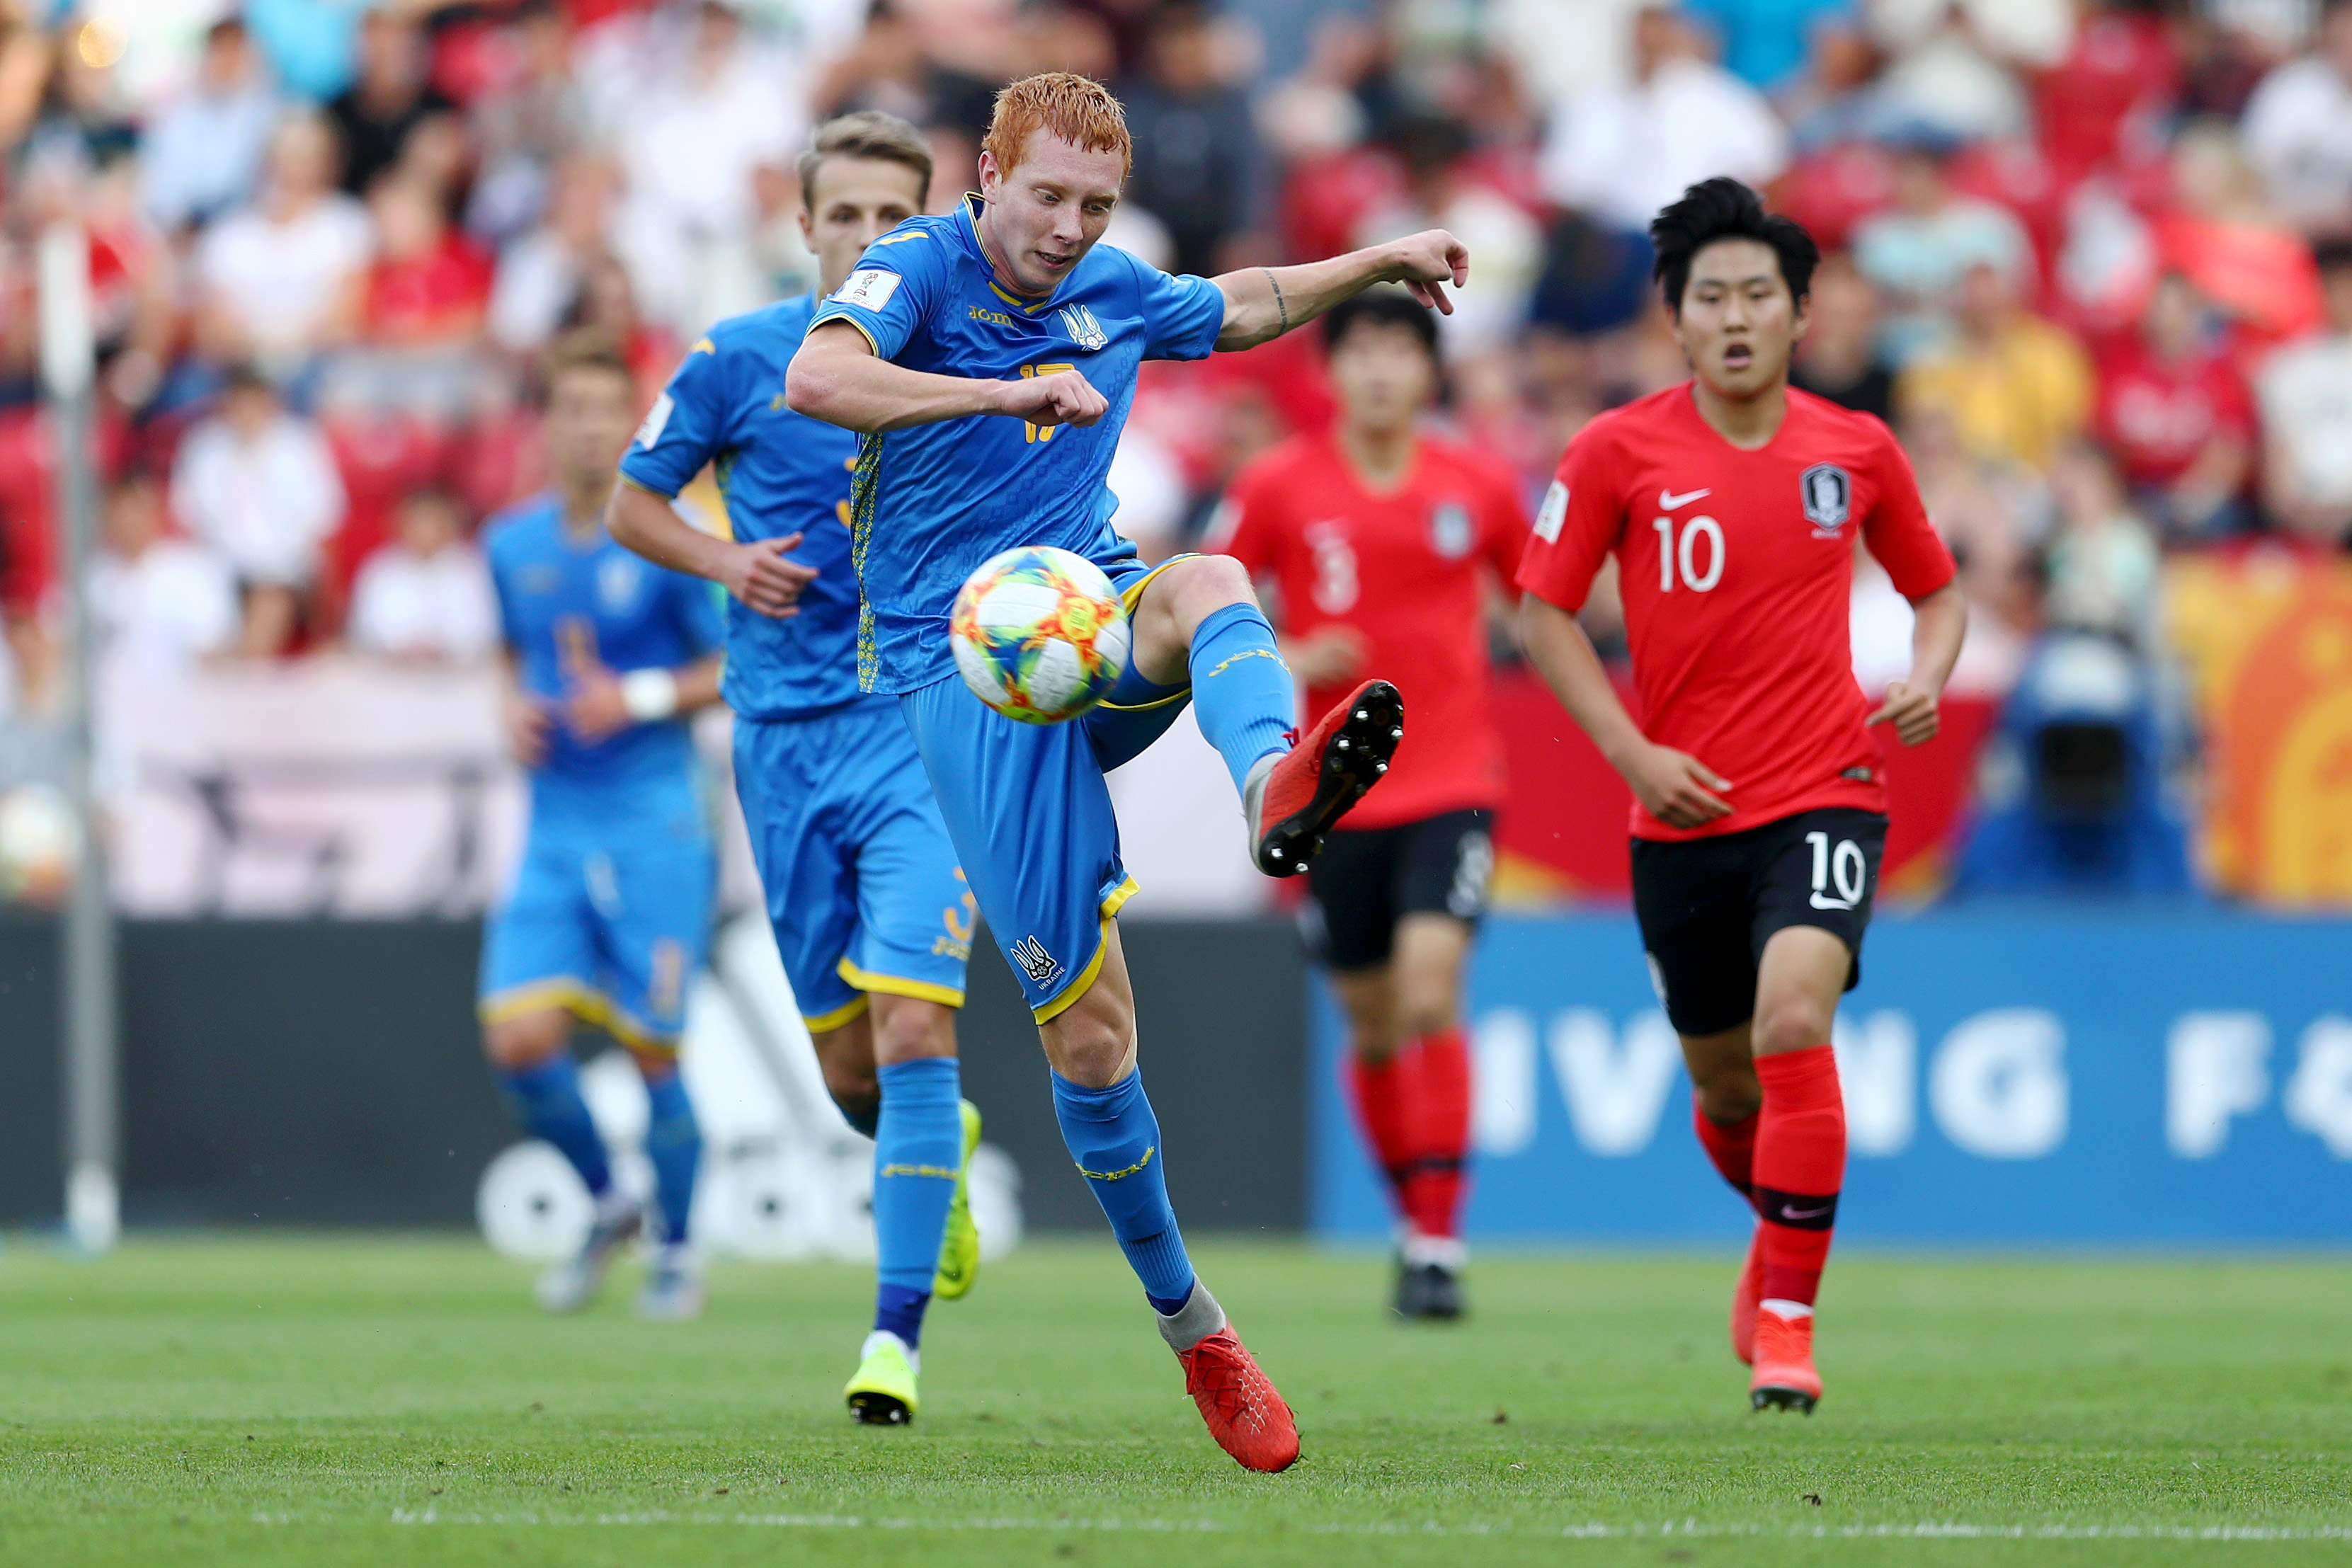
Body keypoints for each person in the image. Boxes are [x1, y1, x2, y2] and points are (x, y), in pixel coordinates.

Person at [787, 71, 1468, 1472]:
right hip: (961, 678)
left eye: (1093, 205)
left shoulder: (1106, 283)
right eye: (1045, 195)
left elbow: (1237, 304)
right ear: (984, 172)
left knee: (1204, 575)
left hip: (1080, 614)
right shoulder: (915, 265)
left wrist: (1378, 263)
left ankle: (1271, 785)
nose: (1066, 226)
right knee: (1090, 1044)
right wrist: (999, 390)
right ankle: (1194, 1327)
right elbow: (818, 377)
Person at [1517, 178, 1965, 1414]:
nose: (1732, 316)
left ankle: (1785, 1324)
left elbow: (1939, 592)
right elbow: (1539, 612)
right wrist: (1630, 755)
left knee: (1790, 1025)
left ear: (1797, 314)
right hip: (1680, 815)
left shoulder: (1856, 449)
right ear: (1675, 319)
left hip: (1829, 789)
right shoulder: (1614, 450)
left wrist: (1926, 675)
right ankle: (1773, 1243)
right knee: (1723, 1086)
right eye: (1707, 296)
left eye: (1754, 295)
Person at [607, 110, 986, 1427]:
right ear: (805, 223)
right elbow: (630, 501)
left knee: (915, 1024)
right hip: (779, 747)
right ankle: (935, 1159)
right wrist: (726, 562)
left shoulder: (969, 358)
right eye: (847, 217)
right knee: (851, 1077)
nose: (871, 240)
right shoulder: (739, 359)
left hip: (921, 730)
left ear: (930, 227)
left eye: (896, 218)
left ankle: (892, 1344)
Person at [1212, 290, 1528, 1320]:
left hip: (1455, 782)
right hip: (1332, 794)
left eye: (1402, 350)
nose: (1383, 370)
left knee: (1430, 991)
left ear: (1429, 371)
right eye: (1364, 351)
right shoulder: (1277, 483)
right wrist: (1291, 650)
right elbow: (1209, 591)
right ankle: (1410, 1219)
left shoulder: (1476, 484)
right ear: (1331, 370)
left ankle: (1440, 1237)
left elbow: (1544, 602)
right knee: (1373, 1019)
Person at [478, 329, 727, 1322]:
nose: (589, 427)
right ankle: (606, 1200)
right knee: (518, 1037)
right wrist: (506, 705)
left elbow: (731, 667)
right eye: (570, 407)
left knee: (652, 1051)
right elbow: (508, 652)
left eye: (604, 409)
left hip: (655, 821)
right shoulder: (510, 543)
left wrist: (636, 697)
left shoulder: (667, 538)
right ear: (544, 421)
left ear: (634, 422)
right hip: (553, 825)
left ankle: (675, 1248)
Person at [348, 488, 498, 663]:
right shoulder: (380, 570)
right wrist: (402, 646)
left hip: (457, 674)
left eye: (432, 522)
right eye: (418, 522)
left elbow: (485, 631)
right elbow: (363, 630)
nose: (425, 531)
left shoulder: (470, 569)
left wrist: (441, 648)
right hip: (390, 671)